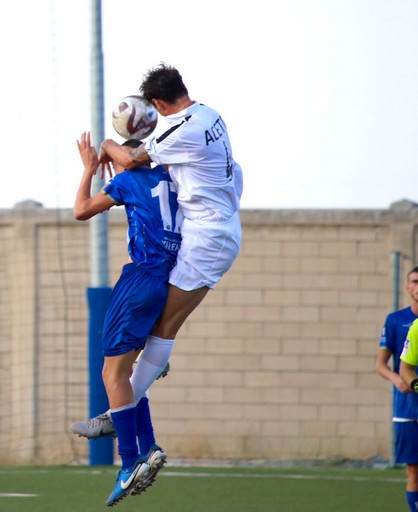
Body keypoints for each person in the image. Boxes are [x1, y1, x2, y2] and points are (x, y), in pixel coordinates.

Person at [72, 63, 243, 439]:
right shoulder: (208, 114)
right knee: (157, 328)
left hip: (208, 237)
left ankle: (121, 412)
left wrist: (104, 147)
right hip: (212, 229)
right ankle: (134, 389)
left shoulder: (177, 137)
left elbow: (129, 162)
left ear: (157, 103)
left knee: (164, 328)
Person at [74, 131, 182, 506]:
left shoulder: (128, 180)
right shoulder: (168, 178)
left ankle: (129, 462)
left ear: (127, 158)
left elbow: (81, 210)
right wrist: (111, 151)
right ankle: (148, 444)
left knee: (111, 374)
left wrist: (90, 167)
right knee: (132, 373)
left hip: (138, 281)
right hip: (168, 282)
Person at [379, 266, 418, 512]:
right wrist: (398, 379)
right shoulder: (397, 321)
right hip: (407, 408)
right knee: (414, 470)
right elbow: (380, 364)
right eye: (415, 281)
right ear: (407, 287)